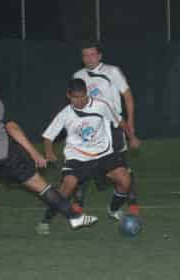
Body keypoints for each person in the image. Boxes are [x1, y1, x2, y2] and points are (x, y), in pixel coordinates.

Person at [0, 72, 98, 246]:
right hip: (5, 151)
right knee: (38, 183)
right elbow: (12, 128)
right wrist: (33, 152)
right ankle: (74, 217)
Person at [35, 79, 140, 235]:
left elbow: (120, 122)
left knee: (125, 180)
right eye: (76, 97)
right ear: (68, 96)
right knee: (67, 187)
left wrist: (131, 137)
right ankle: (46, 220)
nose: (81, 100)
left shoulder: (101, 105)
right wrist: (49, 152)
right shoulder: (65, 114)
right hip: (77, 157)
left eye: (83, 96)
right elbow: (48, 137)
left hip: (104, 153)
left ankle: (113, 209)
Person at [72, 41, 139, 212]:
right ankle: (78, 203)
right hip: (91, 128)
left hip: (114, 127)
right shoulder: (78, 76)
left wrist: (130, 124)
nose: (89, 58)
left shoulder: (112, 71)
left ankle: (130, 202)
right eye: (85, 55)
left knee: (121, 167)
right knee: (85, 163)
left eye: (92, 54)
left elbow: (128, 97)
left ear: (100, 56)